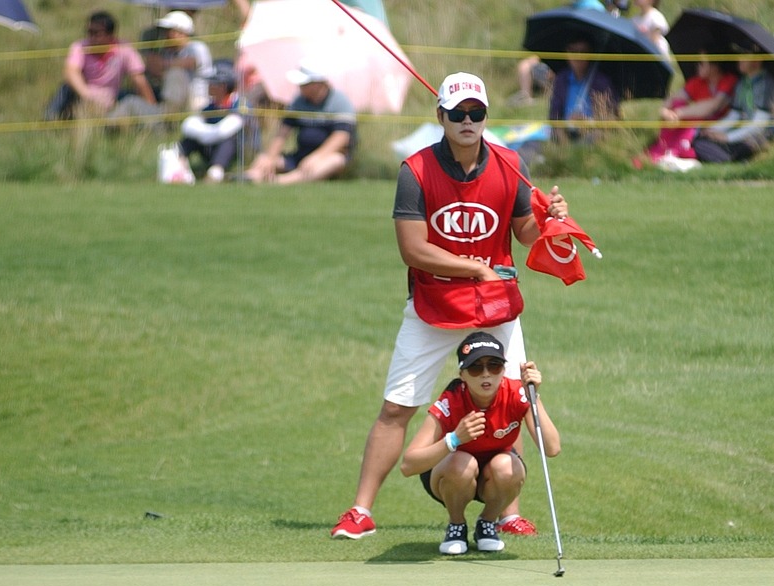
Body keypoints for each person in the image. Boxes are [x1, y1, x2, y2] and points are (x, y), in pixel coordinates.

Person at [330, 71, 570, 541]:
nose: (467, 121)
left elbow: (523, 233)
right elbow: (413, 249)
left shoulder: (510, 163)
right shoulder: (415, 170)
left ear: (485, 116)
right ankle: (360, 511)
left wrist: (549, 219)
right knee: (397, 407)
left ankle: (507, 511)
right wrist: (471, 267)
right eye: (457, 113)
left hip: (495, 304)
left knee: (511, 397)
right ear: (440, 116)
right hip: (434, 303)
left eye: (475, 113)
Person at [400, 332, 560, 555]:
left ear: (503, 371)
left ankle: (487, 523)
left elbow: (552, 448)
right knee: (461, 461)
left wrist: (533, 396)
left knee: (507, 466)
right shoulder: (452, 399)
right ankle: (456, 525)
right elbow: (408, 465)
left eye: (494, 366)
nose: (486, 374)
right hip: (449, 475)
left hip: (493, 477)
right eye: (476, 368)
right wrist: (454, 439)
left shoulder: (516, 393)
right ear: (462, 374)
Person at [244, 64, 355, 184]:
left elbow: (341, 137)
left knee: (334, 161)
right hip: (299, 156)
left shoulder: (340, 101)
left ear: (317, 84)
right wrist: (270, 157)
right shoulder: (298, 101)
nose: (299, 87)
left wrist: (316, 157)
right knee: (263, 159)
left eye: (304, 84)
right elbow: (282, 133)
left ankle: (280, 181)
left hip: (328, 156)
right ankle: (248, 177)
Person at [45, 11, 157, 122]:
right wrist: (87, 95)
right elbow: (70, 72)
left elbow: (138, 79)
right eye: (89, 32)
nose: (91, 37)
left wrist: (152, 107)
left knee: (133, 99)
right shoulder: (79, 46)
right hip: (83, 93)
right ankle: (50, 121)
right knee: (65, 89)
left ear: (110, 35)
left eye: (96, 33)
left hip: (112, 96)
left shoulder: (124, 49)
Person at [688, 51, 774, 166]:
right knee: (701, 140)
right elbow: (734, 115)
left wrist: (728, 137)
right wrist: (713, 130)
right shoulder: (742, 84)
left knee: (746, 145)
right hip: (742, 131)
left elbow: (759, 124)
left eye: (745, 56)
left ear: (757, 61)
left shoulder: (767, 84)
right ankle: (722, 155)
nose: (740, 59)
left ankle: (726, 157)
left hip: (762, 135)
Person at [645, 54, 738, 165]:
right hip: (697, 125)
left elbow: (713, 106)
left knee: (687, 114)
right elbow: (672, 100)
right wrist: (666, 112)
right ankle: (668, 147)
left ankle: (674, 148)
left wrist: (678, 113)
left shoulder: (728, 80)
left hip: (719, 125)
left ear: (715, 66)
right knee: (678, 104)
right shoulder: (697, 82)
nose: (697, 66)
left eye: (702, 63)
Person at [511, 0, 608, 106]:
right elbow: (554, 117)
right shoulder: (570, 9)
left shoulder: (593, 8)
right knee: (525, 65)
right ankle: (526, 97)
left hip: (580, 68)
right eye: (573, 51)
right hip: (559, 68)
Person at [179, 63, 246, 183]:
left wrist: (203, 133)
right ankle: (179, 165)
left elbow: (226, 130)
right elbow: (190, 125)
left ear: (223, 86)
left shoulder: (239, 105)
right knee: (189, 139)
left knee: (230, 139)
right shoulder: (210, 107)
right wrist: (203, 134)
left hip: (236, 152)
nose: (208, 86)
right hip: (211, 144)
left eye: (213, 83)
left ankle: (216, 172)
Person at [548, 37, 620, 142]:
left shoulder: (601, 82)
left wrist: (588, 122)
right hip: (565, 132)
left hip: (593, 133)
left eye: (583, 51)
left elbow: (613, 116)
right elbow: (554, 115)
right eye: (573, 51)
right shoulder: (561, 79)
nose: (578, 56)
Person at [154, 11, 212, 114]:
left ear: (180, 32)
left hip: (198, 100)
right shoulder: (169, 53)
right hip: (181, 101)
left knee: (175, 74)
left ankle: (168, 119)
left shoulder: (196, 47)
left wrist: (162, 64)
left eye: (169, 31)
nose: (165, 35)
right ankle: (168, 119)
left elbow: (190, 62)